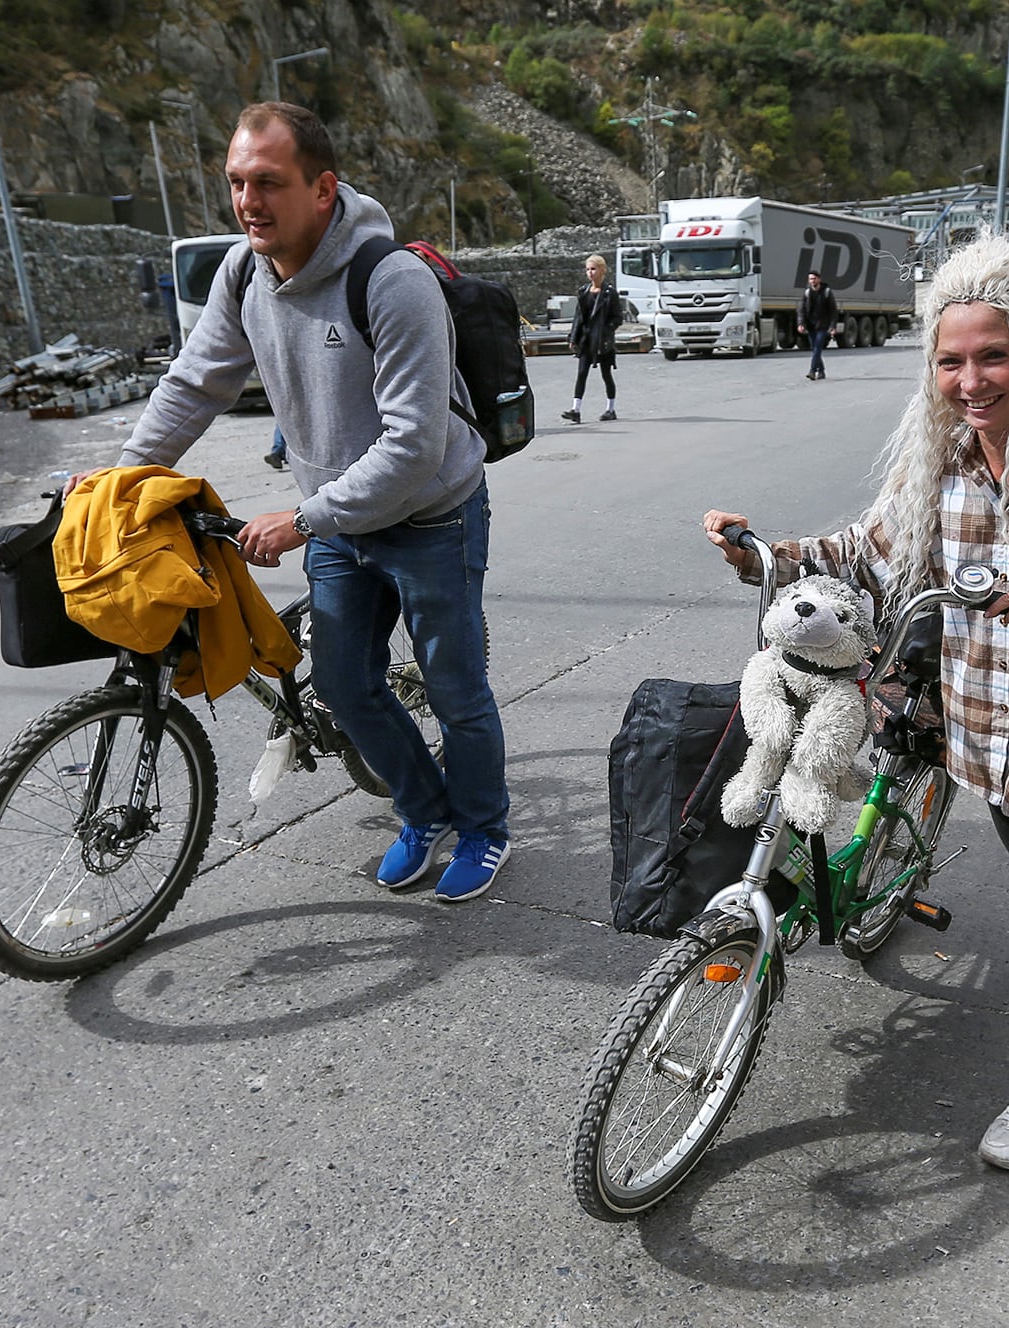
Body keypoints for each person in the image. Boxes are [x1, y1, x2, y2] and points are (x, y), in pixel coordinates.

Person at [703, 237, 1009, 1172]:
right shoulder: (939, 471)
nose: (970, 381)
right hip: (998, 736)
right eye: (951, 360)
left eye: (993, 356)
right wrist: (766, 558)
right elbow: (864, 550)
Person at [104, 101, 510, 903]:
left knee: (456, 688)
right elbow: (194, 383)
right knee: (345, 685)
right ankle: (423, 811)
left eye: (268, 183)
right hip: (339, 518)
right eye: (236, 183)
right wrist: (122, 478)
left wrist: (303, 518)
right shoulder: (241, 273)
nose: (248, 202)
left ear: (322, 189)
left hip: (431, 515)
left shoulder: (391, 281)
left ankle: (487, 827)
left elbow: (411, 446)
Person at [562, 253, 622, 423]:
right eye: (588, 269)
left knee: (606, 375)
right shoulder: (583, 291)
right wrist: (573, 338)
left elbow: (617, 318)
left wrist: (606, 330)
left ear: (602, 270)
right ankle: (575, 410)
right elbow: (578, 317)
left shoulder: (610, 293)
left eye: (593, 269)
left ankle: (610, 409)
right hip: (586, 340)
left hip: (603, 341)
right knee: (581, 374)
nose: (590, 272)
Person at [798, 270, 839, 381]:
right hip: (811, 325)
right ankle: (821, 371)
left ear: (819, 279)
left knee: (818, 347)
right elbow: (801, 309)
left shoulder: (826, 292)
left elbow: (833, 310)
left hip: (823, 325)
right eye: (810, 279)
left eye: (814, 279)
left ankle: (812, 371)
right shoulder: (807, 293)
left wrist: (832, 326)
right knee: (815, 349)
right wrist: (801, 323)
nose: (812, 281)